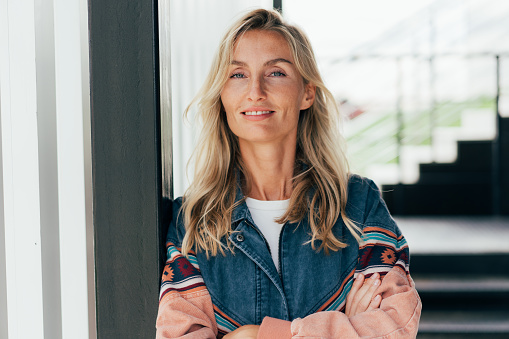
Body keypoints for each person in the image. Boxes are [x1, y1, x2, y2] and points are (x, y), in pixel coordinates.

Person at [156, 8, 421, 339]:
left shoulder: (358, 205)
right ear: (222, 95)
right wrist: (345, 327)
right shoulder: (192, 223)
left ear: (306, 93)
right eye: (237, 75)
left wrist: (251, 336)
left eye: (276, 73)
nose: (255, 91)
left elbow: (393, 327)